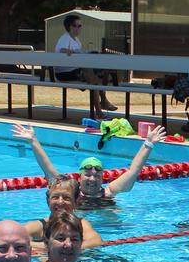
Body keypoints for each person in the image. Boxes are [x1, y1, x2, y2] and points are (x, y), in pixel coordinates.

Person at [12, 122, 166, 207]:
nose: (92, 179)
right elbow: (49, 170)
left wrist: (148, 143)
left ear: (102, 178)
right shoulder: (71, 193)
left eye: (96, 175)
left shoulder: (110, 192)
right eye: (88, 174)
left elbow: (133, 171)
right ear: (80, 176)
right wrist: (33, 141)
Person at [54, 14, 116, 113]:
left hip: (75, 70)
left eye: (80, 26)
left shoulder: (76, 40)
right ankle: (100, 110)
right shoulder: (65, 38)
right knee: (92, 78)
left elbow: (79, 54)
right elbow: (61, 50)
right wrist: (69, 51)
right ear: (70, 27)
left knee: (97, 76)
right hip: (64, 73)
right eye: (77, 26)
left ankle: (103, 103)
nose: (79, 28)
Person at [23, 175, 102, 249]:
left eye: (66, 198)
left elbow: (95, 242)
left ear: (76, 202)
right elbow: (16, 241)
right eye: (55, 197)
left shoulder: (81, 224)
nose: (60, 202)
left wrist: (55, 247)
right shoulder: (38, 226)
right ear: (48, 201)